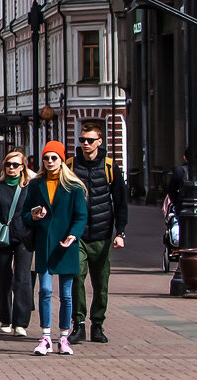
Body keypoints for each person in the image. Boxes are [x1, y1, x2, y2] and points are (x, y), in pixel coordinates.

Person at [22, 141, 88, 356]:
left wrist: (73, 234)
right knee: (45, 290)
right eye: (46, 158)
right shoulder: (36, 184)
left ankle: (64, 337)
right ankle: (46, 337)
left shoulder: (74, 186)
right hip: (44, 243)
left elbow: (81, 216)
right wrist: (33, 215)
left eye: (54, 158)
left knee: (66, 294)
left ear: (61, 160)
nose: (49, 162)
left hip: (66, 244)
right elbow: (25, 214)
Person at [66, 121, 128, 344]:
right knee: (77, 278)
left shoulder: (110, 167)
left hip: (102, 235)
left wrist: (120, 232)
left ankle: (98, 325)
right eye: (82, 140)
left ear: (99, 142)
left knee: (101, 284)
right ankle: (79, 324)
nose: (85, 144)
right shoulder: (71, 166)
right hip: (78, 235)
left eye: (90, 140)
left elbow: (121, 202)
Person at [0, 150, 35, 336]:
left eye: (16, 165)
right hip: (0, 237)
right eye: (9, 165)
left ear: (23, 168)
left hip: (23, 236)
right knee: (2, 279)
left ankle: (20, 322)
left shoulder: (29, 188)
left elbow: (34, 210)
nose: (12, 168)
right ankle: (5, 319)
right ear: (4, 167)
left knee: (22, 278)